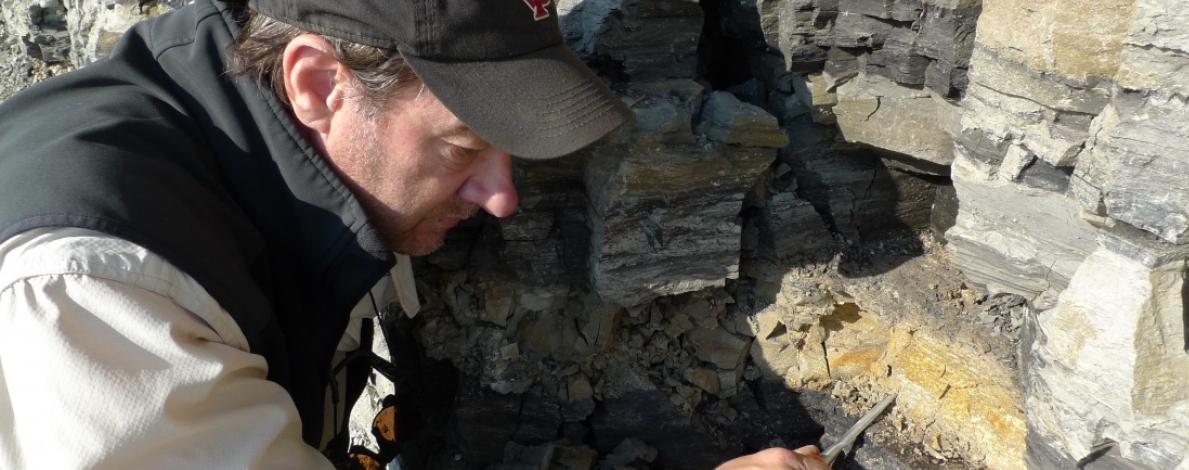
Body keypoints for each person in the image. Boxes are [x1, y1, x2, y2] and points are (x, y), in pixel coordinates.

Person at [0, 0, 828, 468]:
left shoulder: (240, 100)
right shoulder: (95, 293)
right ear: (319, 82)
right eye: (465, 147)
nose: (502, 198)